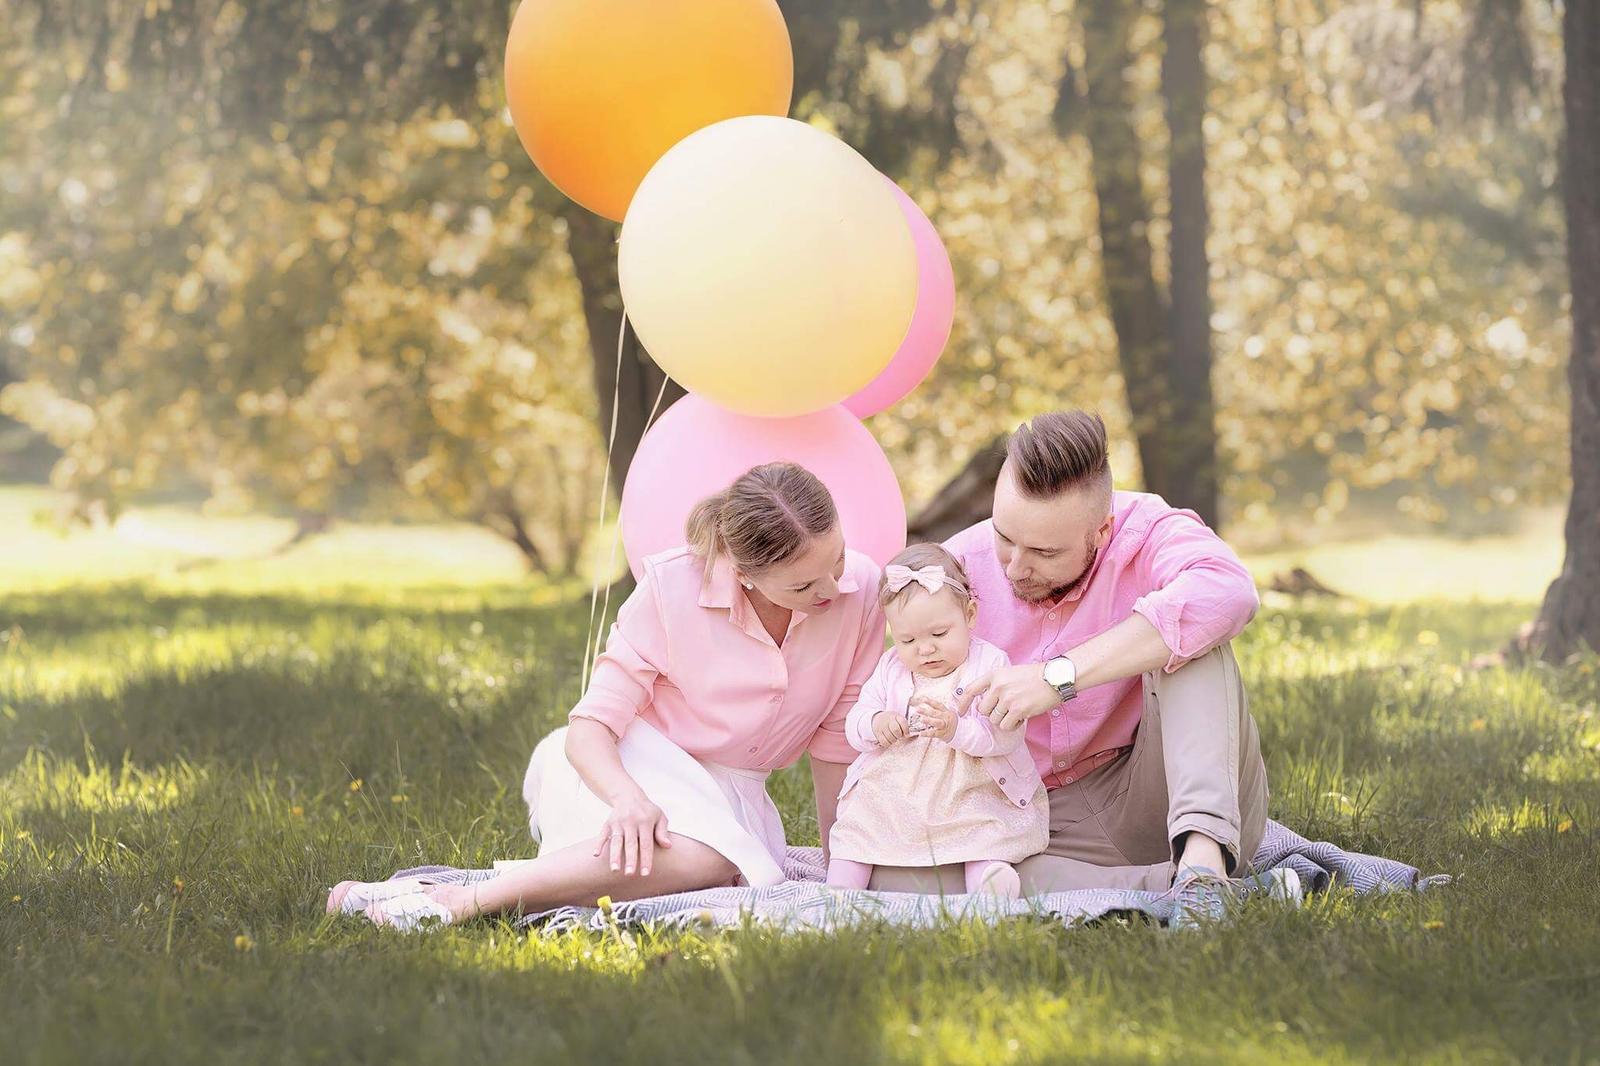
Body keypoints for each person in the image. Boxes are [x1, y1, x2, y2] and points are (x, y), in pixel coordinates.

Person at [327, 461, 886, 928]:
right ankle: (463, 903)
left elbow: (837, 745)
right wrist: (628, 799)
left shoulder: (860, 591)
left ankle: (421, 893)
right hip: (626, 765)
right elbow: (590, 726)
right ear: (743, 573)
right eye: (802, 584)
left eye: (836, 559)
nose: (832, 588)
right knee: (705, 859)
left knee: (719, 863)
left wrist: (840, 866)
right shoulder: (672, 587)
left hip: (733, 793)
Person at [867, 411, 1300, 923]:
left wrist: (1057, 677)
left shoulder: (1148, 529)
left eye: (1044, 552)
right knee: (892, 876)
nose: (1015, 567)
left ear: (1102, 530)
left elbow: (1228, 592)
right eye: (1004, 537)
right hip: (1028, 820)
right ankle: (1187, 892)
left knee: (1193, 634)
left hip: (1154, 792)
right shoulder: (954, 571)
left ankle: (1204, 866)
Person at [825, 543, 1048, 897]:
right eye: (907, 639)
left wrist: (956, 730)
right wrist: (876, 723)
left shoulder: (989, 664)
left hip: (967, 786)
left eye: (939, 634)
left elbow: (1005, 736)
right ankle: (839, 887)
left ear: (969, 615)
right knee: (859, 826)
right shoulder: (890, 668)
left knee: (982, 829)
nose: (925, 649)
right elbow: (855, 723)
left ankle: (988, 880)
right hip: (896, 789)